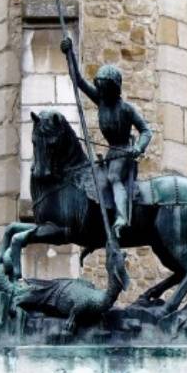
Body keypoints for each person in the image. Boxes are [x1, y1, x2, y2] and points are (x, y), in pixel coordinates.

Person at [60, 37, 152, 239]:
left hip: (124, 151)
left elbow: (146, 130)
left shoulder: (126, 109)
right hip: (111, 152)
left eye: (104, 87)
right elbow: (78, 81)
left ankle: (121, 218)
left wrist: (139, 147)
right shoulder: (101, 101)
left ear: (113, 87)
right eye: (99, 86)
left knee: (113, 178)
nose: (101, 90)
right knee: (98, 183)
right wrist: (69, 53)